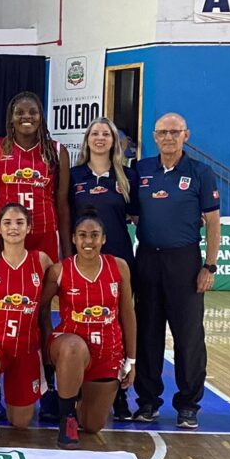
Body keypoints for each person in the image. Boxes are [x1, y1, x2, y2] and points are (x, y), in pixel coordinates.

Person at [132, 113, 221, 429]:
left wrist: (209, 265)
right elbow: (130, 213)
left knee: (188, 337)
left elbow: (212, 223)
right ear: (154, 137)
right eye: (162, 132)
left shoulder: (200, 173)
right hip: (147, 260)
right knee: (148, 335)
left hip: (184, 262)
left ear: (186, 135)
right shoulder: (140, 170)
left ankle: (188, 405)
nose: (168, 137)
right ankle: (147, 402)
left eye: (174, 132)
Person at [38, 211, 137, 449]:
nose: (88, 241)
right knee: (73, 347)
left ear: (103, 239)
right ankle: (67, 418)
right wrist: (46, 349)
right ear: (73, 238)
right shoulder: (59, 270)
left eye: (94, 235)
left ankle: (77, 397)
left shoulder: (119, 267)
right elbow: (40, 310)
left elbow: (127, 314)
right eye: (82, 235)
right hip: (69, 344)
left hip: (107, 351)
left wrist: (131, 360)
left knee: (93, 426)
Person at [67, 116, 140, 421]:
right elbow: (65, 215)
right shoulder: (73, 175)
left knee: (116, 323)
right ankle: (76, 390)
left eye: (106, 134)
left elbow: (139, 218)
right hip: (81, 261)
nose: (100, 138)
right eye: (94, 133)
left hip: (117, 258)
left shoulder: (126, 176)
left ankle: (119, 391)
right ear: (87, 140)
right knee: (79, 320)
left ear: (114, 141)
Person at [0, 203, 52, 444]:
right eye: (7, 223)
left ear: (28, 228)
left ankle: (8, 392)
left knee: (21, 421)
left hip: (26, 346)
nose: (13, 228)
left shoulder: (41, 261)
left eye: (19, 223)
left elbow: (48, 298)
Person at [0, 91, 70, 263]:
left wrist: (68, 253)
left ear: (41, 117)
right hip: (4, 231)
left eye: (33, 112)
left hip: (44, 231)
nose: (26, 116)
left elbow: (62, 204)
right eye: (19, 112)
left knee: (45, 286)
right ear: (11, 118)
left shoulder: (56, 151)